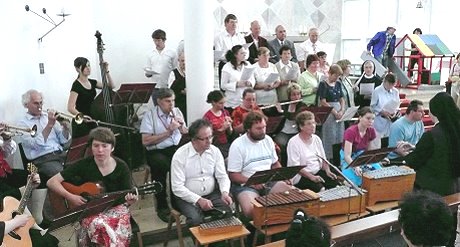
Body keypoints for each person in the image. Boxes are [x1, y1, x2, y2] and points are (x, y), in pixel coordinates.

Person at [47, 127, 138, 246]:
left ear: (112, 148)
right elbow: (51, 182)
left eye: (104, 146)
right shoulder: (84, 164)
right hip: (90, 210)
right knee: (97, 224)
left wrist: (129, 201)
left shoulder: (121, 167)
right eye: (96, 146)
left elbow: (125, 197)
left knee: (105, 227)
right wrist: (70, 197)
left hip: (115, 209)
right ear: (91, 147)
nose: (100, 150)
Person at [227, 111, 291, 219]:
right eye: (258, 129)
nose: (263, 131)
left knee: (293, 197)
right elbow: (233, 175)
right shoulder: (237, 145)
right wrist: (252, 182)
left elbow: (275, 163)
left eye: (264, 127)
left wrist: (283, 176)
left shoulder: (268, 140)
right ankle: (253, 232)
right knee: (253, 211)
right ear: (248, 129)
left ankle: (280, 229)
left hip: (269, 181)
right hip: (246, 185)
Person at [0, 128, 58, 246]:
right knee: (10, 196)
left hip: (4, 170)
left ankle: (37, 220)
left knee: (37, 177)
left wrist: (6, 139)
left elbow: (7, 153)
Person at [171, 119, 232, 226]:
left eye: (210, 137)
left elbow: (222, 176)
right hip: (187, 198)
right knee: (195, 220)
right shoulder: (180, 155)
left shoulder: (215, 151)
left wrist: (225, 192)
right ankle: (202, 242)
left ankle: (217, 241)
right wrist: (198, 200)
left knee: (227, 212)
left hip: (211, 194)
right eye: (204, 139)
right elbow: (177, 187)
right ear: (194, 140)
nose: (209, 141)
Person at [140, 88, 188, 222]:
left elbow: (184, 132)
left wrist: (181, 126)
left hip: (175, 147)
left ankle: (177, 203)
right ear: (159, 102)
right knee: (160, 168)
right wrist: (168, 131)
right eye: (168, 101)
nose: (171, 104)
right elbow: (145, 141)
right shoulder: (149, 116)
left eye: (173, 100)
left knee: (180, 168)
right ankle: (162, 207)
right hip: (156, 150)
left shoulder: (177, 111)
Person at [404, 92, 460, 196]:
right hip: (455, 186)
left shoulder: (432, 135)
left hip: (432, 190)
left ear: (434, 112)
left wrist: (404, 157)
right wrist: (416, 148)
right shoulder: (455, 130)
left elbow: (415, 161)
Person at [18, 89, 70, 178]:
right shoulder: (22, 124)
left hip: (60, 154)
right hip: (43, 160)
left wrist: (65, 129)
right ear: (26, 105)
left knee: (80, 168)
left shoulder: (47, 117)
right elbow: (36, 145)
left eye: (41, 103)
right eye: (36, 103)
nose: (40, 106)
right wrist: (49, 125)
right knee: (63, 176)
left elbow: (63, 140)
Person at [287, 111, 338, 192]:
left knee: (334, 183)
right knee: (321, 189)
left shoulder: (316, 138)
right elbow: (295, 167)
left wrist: (328, 171)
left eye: (313, 123)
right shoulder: (293, 142)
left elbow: (323, 159)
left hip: (317, 171)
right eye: (309, 124)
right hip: (302, 175)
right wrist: (312, 177)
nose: (313, 126)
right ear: (301, 126)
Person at [67, 57, 115, 138]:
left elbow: (111, 86)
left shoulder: (93, 82)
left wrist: (106, 71)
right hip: (82, 121)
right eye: (85, 66)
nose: (88, 68)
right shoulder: (76, 85)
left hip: (93, 118)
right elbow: (70, 107)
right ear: (78, 69)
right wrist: (82, 116)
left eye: (89, 66)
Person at [340, 107, 382, 186]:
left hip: (361, 155)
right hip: (349, 158)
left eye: (373, 119)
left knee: (379, 172)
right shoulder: (350, 131)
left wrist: (377, 159)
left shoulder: (371, 130)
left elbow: (369, 152)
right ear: (360, 118)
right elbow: (347, 156)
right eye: (368, 118)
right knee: (355, 180)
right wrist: (355, 167)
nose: (371, 121)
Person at [274, 83, 308, 166]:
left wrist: (282, 112)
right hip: (284, 132)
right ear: (289, 96)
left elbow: (292, 117)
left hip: (297, 132)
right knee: (280, 144)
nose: (296, 97)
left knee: (295, 146)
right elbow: (272, 113)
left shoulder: (303, 106)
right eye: (293, 95)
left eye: (298, 94)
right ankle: (283, 165)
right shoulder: (285, 104)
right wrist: (274, 107)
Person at [317, 64, 345, 159]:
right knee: (330, 135)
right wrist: (334, 111)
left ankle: (339, 157)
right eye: (335, 76)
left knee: (339, 134)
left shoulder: (338, 84)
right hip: (328, 111)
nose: (336, 78)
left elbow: (342, 98)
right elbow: (323, 101)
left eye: (338, 76)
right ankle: (329, 157)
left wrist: (342, 110)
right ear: (330, 73)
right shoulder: (323, 84)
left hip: (338, 109)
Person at [215, 14, 248, 85]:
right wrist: (233, 57)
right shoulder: (219, 37)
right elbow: (219, 54)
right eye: (232, 22)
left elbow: (246, 50)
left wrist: (243, 57)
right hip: (225, 64)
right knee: (225, 87)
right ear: (226, 23)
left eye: (236, 22)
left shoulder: (240, 36)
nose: (234, 24)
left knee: (240, 85)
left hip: (239, 65)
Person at [220, 45, 255, 111]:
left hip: (246, 101)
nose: (244, 55)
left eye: (245, 53)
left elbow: (252, 79)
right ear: (235, 55)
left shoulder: (247, 64)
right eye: (242, 53)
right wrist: (236, 84)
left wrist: (250, 83)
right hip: (233, 102)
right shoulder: (227, 67)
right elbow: (223, 86)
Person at [370, 73, 400, 148]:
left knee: (389, 140)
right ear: (385, 81)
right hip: (380, 119)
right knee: (378, 142)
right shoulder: (377, 91)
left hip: (390, 119)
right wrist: (382, 111)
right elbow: (372, 106)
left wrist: (395, 111)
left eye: (393, 85)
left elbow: (397, 103)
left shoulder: (395, 91)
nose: (391, 87)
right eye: (390, 85)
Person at [203, 90, 233, 158]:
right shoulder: (207, 116)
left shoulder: (225, 112)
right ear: (213, 102)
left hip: (225, 143)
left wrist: (229, 125)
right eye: (220, 103)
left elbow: (230, 133)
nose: (223, 105)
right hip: (214, 145)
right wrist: (222, 129)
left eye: (224, 103)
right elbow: (207, 135)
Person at [168, 51, 187, 122]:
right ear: (178, 60)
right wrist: (182, 91)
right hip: (178, 103)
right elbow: (170, 90)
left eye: (186, 61)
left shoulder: (191, 72)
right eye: (182, 61)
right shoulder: (173, 73)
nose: (184, 63)